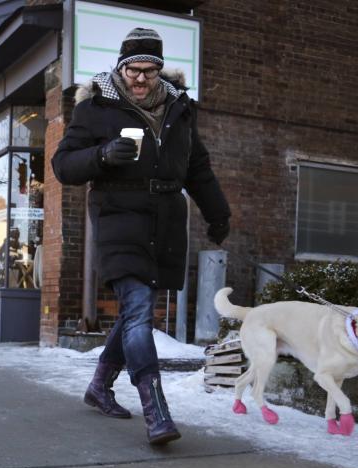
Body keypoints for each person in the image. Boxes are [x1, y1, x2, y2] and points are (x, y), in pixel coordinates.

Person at [51, 27, 231, 445]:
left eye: (150, 70)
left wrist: (218, 215)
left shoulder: (180, 108)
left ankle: (99, 386)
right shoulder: (95, 108)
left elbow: (198, 167)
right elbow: (63, 165)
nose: (141, 78)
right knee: (138, 309)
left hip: (165, 221)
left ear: (159, 70)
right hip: (117, 215)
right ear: (121, 66)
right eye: (134, 69)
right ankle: (157, 411)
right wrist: (101, 155)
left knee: (135, 312)